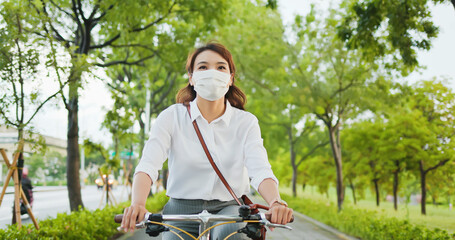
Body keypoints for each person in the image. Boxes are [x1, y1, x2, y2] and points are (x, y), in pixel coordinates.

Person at [121, 42, 293, 239]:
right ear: (191, 78)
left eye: (221, 67)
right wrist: (138, 204)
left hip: (229, 208)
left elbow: (260, 169)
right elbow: (148, 164)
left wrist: (276, 202)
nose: (212, 72)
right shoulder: (171, 117)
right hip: (180, 208)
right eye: (203, 67)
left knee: (230, 234)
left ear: (230, 79)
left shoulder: (246, 122)